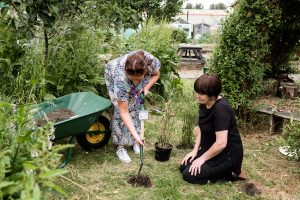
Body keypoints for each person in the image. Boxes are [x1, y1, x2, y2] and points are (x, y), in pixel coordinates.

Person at [180, 74, 245, 184]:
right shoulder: (204, 103)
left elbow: (221, 143)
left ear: (212, 95)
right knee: (184, 166)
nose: (197, 96)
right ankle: (216, 169)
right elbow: (202, 128)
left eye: (201, 93)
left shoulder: (221, 110)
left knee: (189, 176)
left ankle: (228, 173)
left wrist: (202, 159)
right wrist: (195, 151)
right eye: (196, 92)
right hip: (212, 149)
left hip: (227, 155)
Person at [105, 50, 160, 163]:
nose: (135, 82)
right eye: (132, 79)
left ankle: (135, 141)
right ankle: (120, 147)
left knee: (136, 105)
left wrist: (147, 87)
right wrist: (136, 135)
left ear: (145, 70)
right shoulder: (120, 79)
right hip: (113, 73)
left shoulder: (152, 62)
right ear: (126, 72)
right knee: (119, 111)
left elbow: (156, 74)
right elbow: (124, 111)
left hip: (134, 75)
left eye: (138, 79)